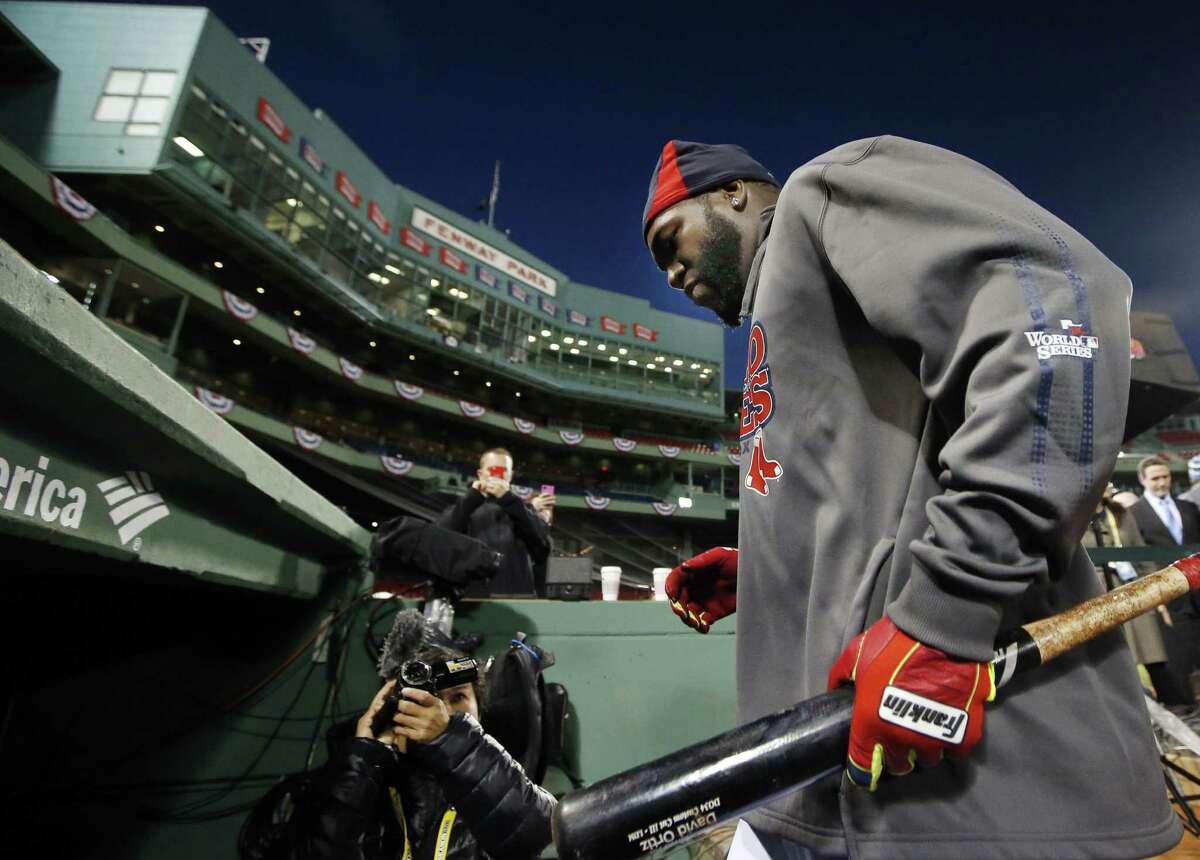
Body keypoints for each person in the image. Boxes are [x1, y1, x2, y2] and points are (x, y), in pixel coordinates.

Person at [647, 137, 1178, 858]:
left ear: (734, 193)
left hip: (976, 793)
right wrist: (772, 573)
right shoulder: (791, 306)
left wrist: (942, 614)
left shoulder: (822, 193)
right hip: (831, 791)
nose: (671, 271)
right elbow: (881, 490)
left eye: (669, 240)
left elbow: (1057, 301)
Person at [295, 638, 555, 860]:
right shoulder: (366, 782)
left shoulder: (504, 783)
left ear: (479, 711)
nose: (439, 710)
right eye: (424, 698)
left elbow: (541, 834)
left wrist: (451, 739)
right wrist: (363, 758)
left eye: (457, 698)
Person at [1082, 482, 1192, 708]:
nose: (1106, 487)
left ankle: (1176, 705)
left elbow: (1142, 555)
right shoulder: (1076, 516)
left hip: (1131, 588)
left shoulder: (1120, 513)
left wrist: (1157, 593)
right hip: (1095, 594)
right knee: (1113, 656)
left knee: (1153, 652)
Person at [437, 448, 552, 596]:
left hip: (519, 600)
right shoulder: (465, 508)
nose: (497, 474)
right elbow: (439, 537)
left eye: (503, 470)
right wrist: (472, 498)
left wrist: (509, 499)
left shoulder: (524, 510)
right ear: (480, 474)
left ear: (510, 476)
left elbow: (543, 548)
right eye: (491, 469)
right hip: (473, 602)